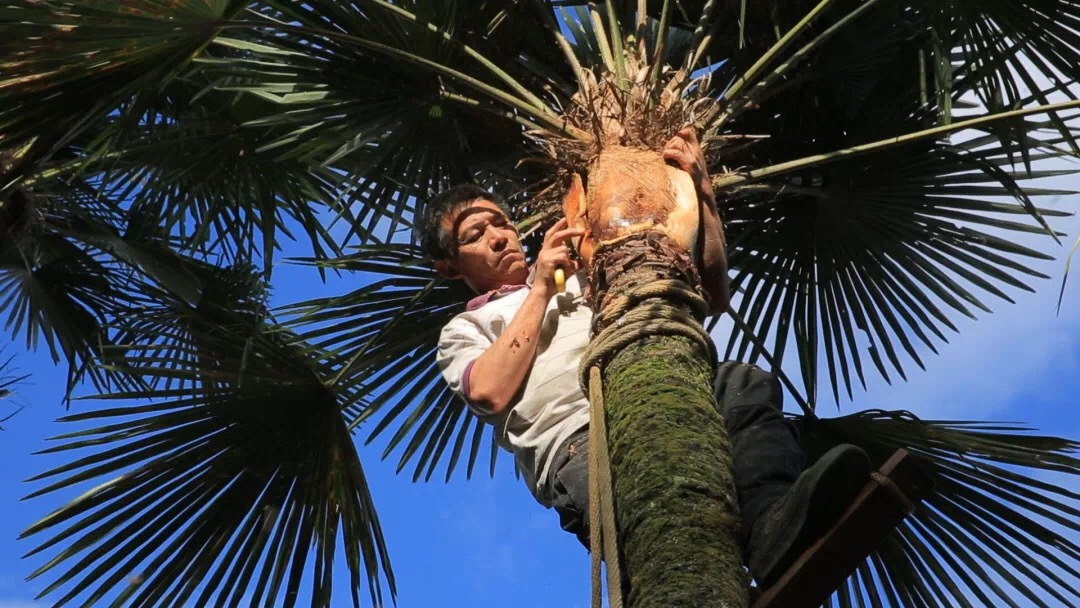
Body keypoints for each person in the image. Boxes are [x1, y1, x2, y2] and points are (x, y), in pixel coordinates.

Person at [420, 128, 871, 588]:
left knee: (740, 383)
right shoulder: (465, 329)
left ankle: (772, 525)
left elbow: (710, 295)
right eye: (476, 235)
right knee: (661, 540)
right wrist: (539, 290)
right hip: (576, 442)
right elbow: (490, 393)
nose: (498, 237)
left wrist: (704, 195)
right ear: (449, 267)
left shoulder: (578, 271)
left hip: (660, 385)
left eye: (500, 223)